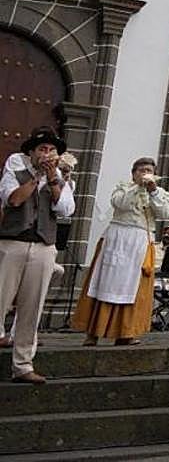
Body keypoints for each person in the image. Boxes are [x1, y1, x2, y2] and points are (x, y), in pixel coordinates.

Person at [73, 157, 169, 346]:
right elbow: (121, 204)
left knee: (134, 288)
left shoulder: (161, 194)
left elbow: (163, 213)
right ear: (133, 173)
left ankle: (126, 332)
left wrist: (152, 191)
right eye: (141, 170)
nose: (145, 173)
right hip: (117, 238)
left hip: (141, 242)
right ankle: (93, 332)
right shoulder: (123, 188)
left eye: (149, 170)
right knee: (103, 283)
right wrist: (138, 187)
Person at [0, 127, 73, 383]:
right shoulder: (15, 166)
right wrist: (36, 177)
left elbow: (65, 209)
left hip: (43, 246)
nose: (48, 154)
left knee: (32, 308)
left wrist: (53, 179)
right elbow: (13, 199)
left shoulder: (62, 177)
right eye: (43, 149)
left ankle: (23, 365)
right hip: (12, 243)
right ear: (31, 152)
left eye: (52, 150)